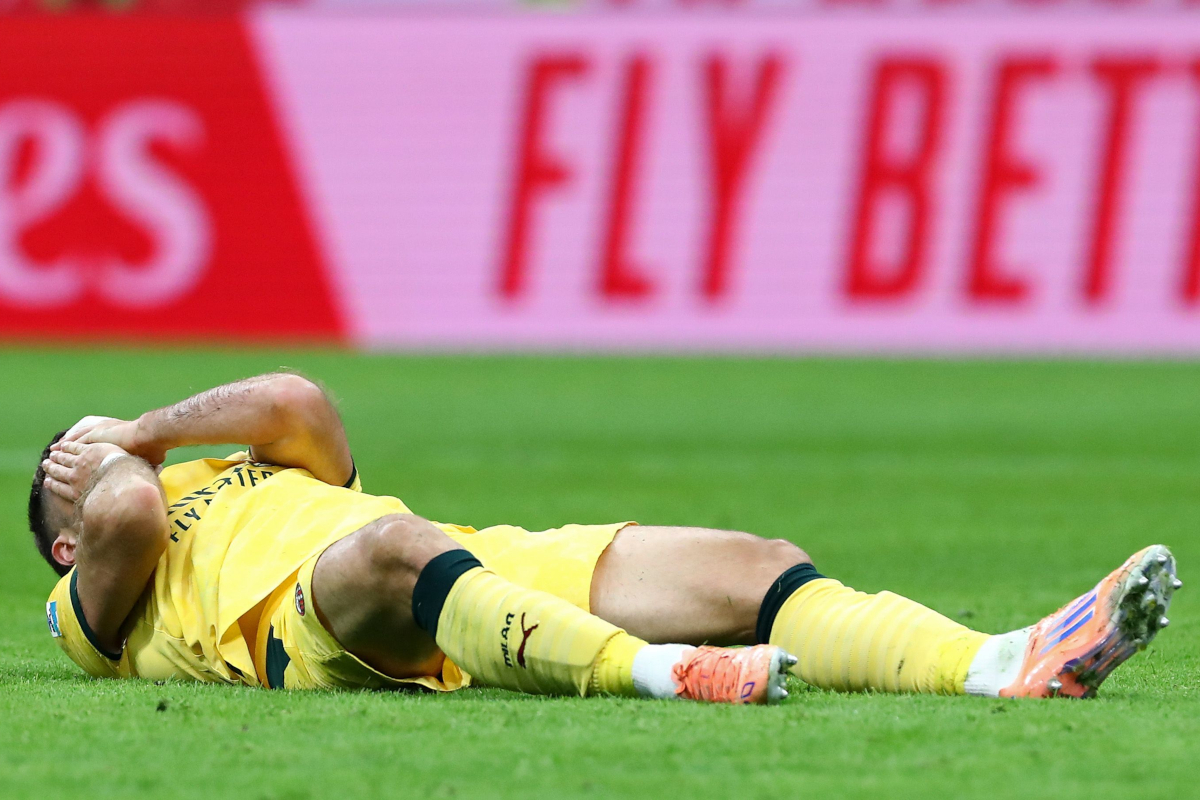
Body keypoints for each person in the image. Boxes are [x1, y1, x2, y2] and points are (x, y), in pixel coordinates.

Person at [30, 373, 1179, 703]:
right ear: (62, 548)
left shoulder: (230, 463)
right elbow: (125, 514)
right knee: (386, 550)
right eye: (59, 478)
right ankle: (664, 672)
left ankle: (1001, 660)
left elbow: (301, 400)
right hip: (302, 623)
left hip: (461, 560)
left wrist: (138, 428)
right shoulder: (92, 605)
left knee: (751, 561)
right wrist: (106, 470)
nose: (95, 463)